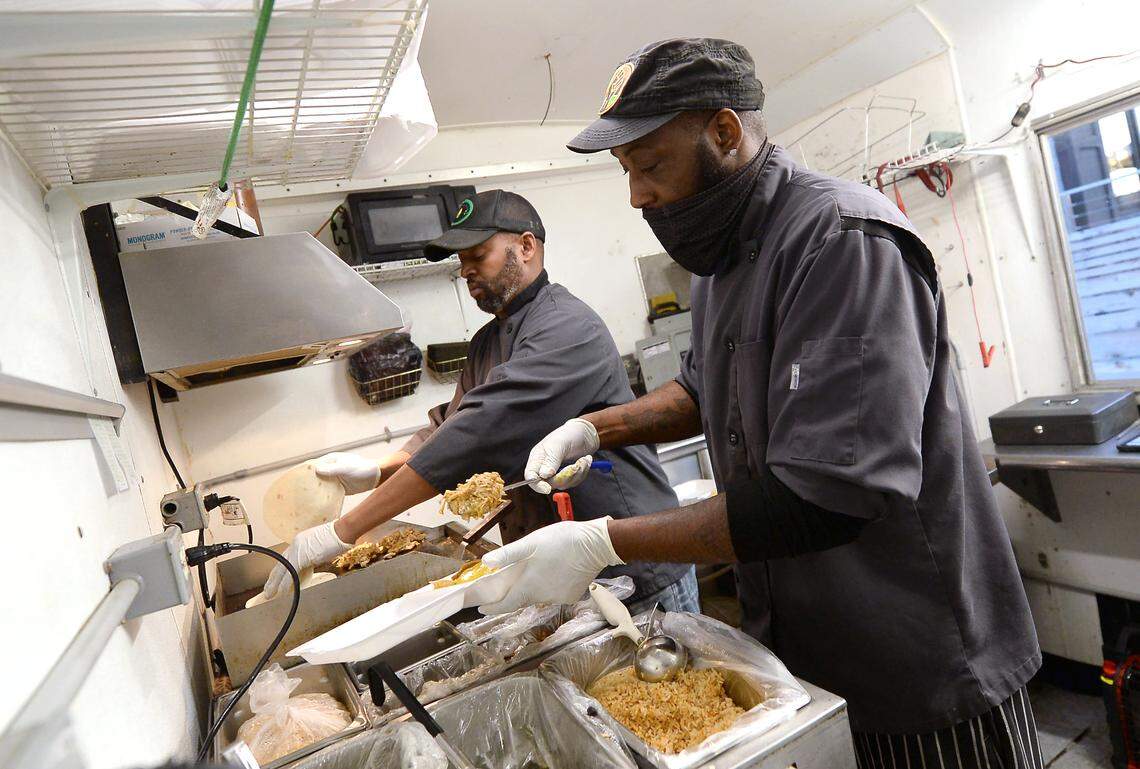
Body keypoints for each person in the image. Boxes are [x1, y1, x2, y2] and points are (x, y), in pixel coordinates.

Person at [481, 39, 1044, 769]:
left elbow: (823, 496)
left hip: (920, 658)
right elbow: (701, 389)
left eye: (650, 165)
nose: (636, 195)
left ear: (724, 132)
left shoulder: (841, 241)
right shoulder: (718, 264)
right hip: (812, 657)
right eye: (626, 172)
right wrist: (593, 426)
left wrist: (604, 540)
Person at [262, 189, 698, 613]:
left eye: (478, 256)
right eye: (461, 261)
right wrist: (378, 469)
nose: (466, 270)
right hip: (565, 573)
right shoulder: (487, 342)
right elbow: (449, 424)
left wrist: (344, 531)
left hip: (634, 566)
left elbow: (476, 434)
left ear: (526, 247)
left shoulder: (567, 327)